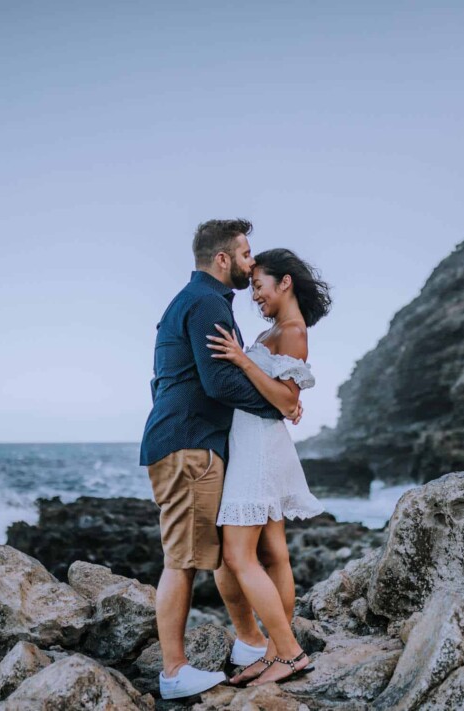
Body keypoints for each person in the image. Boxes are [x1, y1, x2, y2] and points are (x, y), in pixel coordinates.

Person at [139, 219, 303, 700]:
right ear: (223, 259)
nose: (252, 263)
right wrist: (280, 404)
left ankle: (253, 643)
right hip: (190, 445)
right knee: (182, 561)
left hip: (192, 441)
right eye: (246, 254)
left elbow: (166, 379)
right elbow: (217, 383)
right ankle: (174, 672)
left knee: (221, 555)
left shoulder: (191, 302)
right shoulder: (207, 302)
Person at [205, 248, 331, 686]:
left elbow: (286, 400)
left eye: (259, 286)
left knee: (238, 555)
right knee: (273, 551)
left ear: (285, 282)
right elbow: (283, 396)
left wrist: (241, 359)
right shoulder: (276, 330)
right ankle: (276, 652)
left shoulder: (292, 331)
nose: (255, 295)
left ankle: (288, 653)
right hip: (257, 441)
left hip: (258, 447)